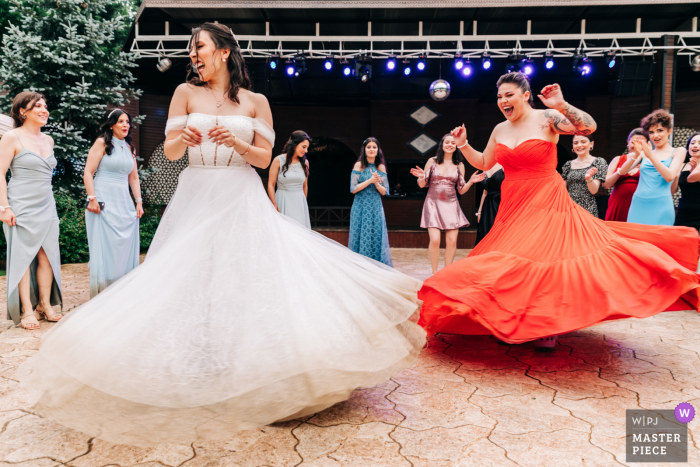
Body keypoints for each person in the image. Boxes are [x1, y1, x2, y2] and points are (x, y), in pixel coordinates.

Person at [19, 23, 425, 447]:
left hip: (239, 190)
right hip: (196, 190)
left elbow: (265, 157)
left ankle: (253, 369)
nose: (193, 55)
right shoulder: (184, 93)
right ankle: (195, 365)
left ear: (225, 52)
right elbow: (172, 151)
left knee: (246, 275)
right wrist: (183, 138)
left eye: (200, 47)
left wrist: (237, 143)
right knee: (186, 275)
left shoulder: (256, 101)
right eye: (190, 49)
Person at [417, 72, 700, 351]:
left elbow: (588, 128)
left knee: (543, 258)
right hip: (513, 203)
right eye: (499, 96)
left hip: (546, 197)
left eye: (509, 95)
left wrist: (561, 104)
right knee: (513, 261)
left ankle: (546, 325)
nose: (503, 101)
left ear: (525, 96)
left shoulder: (547, 119)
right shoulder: (499, 130)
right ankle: (511, 315)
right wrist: (465, 144)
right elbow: (484, 161)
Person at [0, 92, 62, 330]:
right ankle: (26, 309)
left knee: (47, 254)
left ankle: (44, 305)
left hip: (47, 204)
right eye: (37, 106)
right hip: (20, 204)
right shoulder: (11, 137)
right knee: (24, 257)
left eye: (45, 106)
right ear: (22, 111)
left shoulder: (49, 141)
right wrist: (4, 206)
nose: (44, 109)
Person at [84, 109, 144, 297]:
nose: (126, 125)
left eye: (127, 122)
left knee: (122, 246)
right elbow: (88, 172)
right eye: (120, 121)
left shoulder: (129, 148)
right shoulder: (102, 143)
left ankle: (122, 292)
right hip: (103, 200)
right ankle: (103, 292)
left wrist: (139, 202)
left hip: (123, 202)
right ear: (111, 125)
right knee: (106, 247)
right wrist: (92, 198)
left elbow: (133, 178)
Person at [410, 133, 484, 274]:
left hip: (451, 205)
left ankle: (446, 273)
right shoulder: (432, 161)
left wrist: (471, 182)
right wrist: (421, 177)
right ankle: (434, 273)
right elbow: (421, 185)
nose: (450, 145)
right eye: (447, 142)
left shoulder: (459, 165)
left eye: (453, 143)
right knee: (435, 240)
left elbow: (461, 191)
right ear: (442, 145)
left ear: (456, 146)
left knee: (451, 242)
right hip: (433, 204)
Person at [622, 109, 686, 225]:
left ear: (669, 131)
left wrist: (651, 156)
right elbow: (623, 171)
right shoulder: (645, 153)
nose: (655, 135)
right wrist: (636, 154)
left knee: (659, 241)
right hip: (639, 203)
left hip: (661, 204)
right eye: (651, 132)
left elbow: (670, 176)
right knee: (635, 240)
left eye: (660, 130)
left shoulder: (678, 151)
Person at [348, 137, 393, 266]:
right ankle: (360, 265)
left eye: (374, 147)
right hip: (360, 205)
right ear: (364, 150)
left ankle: (376, 266)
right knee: (360, 234)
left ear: (378, 150)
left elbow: (385, 192)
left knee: (376, 234)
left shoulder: (381, 167)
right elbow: (353, 189)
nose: (371, 149)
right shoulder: (359, 166)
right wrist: (370, 181)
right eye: (369, 147)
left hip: (375, 205)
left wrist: (377, 184)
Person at [267, 130, 311, 228]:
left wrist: (303, 204)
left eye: (307, 148)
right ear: (294, 144)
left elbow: (305, 186)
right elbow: (271, 184)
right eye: (304, 147)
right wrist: (273, 203)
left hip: (299, 203)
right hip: (283, 200)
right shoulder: (278, 160)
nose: (306, 151)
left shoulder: (305, 163)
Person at [603, 129, 647, 222]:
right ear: (628, 143)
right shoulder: (618, 159)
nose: (636, 146)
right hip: (618, 202)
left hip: (640, 203)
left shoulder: (649, 162)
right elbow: (606, 185)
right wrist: (619, 172)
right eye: (633, 142)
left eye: (640, 143)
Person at [561, 135, 608, 217]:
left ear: (591, 144)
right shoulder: (568, 165)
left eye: (583, 142)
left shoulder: (598, 162)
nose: (579, 145)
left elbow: (594, 190)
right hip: (569, 208)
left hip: (587, 208)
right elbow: (562, 189)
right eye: (576, 143)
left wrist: (588, 178)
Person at [675, 132, 700, 230]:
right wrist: (675, 176)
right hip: (684, 210)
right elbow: (673, 190)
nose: (695, 145)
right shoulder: (682, 166)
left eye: (699, 143)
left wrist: (695, 172)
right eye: (692, 143)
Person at [475, 162, 504, 244]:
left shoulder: (505, 165)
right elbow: (484, 193)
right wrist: (479, 212)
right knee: (484, 232)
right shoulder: (486, 166)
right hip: (487, 206)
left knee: (497, 234)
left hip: (500, 203)